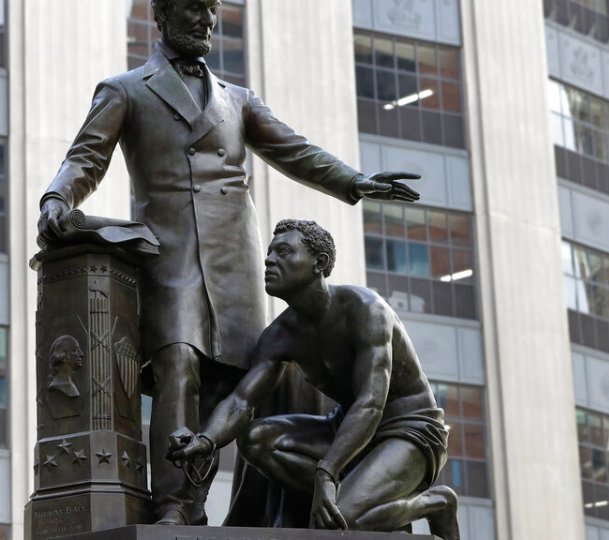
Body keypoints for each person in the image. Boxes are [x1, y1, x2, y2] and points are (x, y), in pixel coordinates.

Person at [36, 0, 420, 525]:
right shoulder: (124, 89)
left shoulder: (237, 100)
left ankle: (206, 509)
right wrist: (58, 199)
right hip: (169, 256)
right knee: (178, 365)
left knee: (226, 384)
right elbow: (86, 155)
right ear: (163, 14)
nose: (207, 21)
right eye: (195, 9)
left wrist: (353, 181)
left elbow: (295, 149)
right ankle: (173, 507)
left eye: (213, 11)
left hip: (236, 259)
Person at [168, 220, 459, 538]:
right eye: (269, 253)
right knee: (256, 439)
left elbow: (371, 403)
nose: (269, 260)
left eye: (283, 252)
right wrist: (206, 439)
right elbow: (242, 401)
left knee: (344, 520)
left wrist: (327, 470)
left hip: (408, 430)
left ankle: (434, 503)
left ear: (319, 263)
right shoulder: (280, 335)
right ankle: (365, 497)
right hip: (346, 430)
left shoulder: (366, 311)